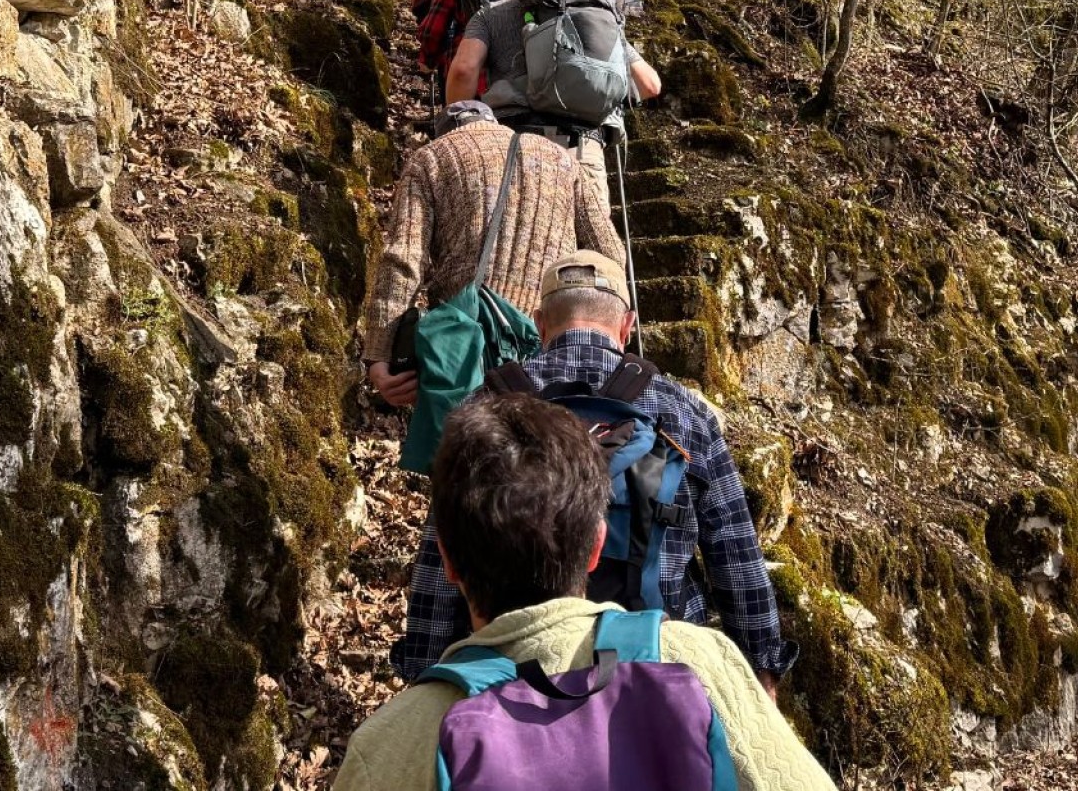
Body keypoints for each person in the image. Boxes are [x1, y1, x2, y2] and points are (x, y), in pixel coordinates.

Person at [338, 394, 834, 791]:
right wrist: (764, 659)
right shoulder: (696, 662)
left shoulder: (391, 745)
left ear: (445, 558)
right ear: (596, 548)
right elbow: (737, 550)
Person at [394, 252, 798, 693]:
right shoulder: (682, 412)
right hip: (656, 671)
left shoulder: (483, 407)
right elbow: (736, 551)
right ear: (627, 326)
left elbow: (442, 549)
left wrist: (424, 669)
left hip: (507, 678)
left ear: (540, 324)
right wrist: (762, 666)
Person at [362, 102, 622, 408]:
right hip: (548, 340)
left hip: (467, 349)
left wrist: (379, 355)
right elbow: (610, 254)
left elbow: (403, 262)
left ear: (443, 132)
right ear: (495, 123)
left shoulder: (429, 159)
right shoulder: (562, 160)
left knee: (471, 448)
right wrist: (609, 327)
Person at [443, 0, 662, 201]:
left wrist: (461, 128)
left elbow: (464, 70)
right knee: (589, 233)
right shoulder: (592, 18)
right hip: (581, 144)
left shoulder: (490, 14)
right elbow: (650, 85)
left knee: (515, 230)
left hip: (513, 142)